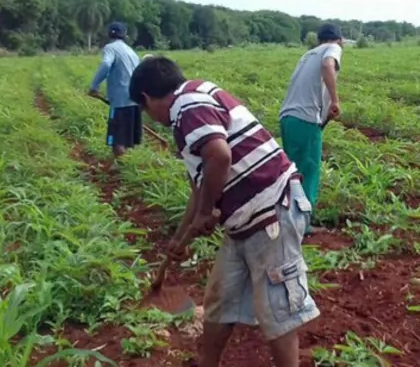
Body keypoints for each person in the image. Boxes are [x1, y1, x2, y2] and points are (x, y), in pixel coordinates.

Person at [129, 56, 319, 367]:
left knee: (279, 310)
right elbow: (200, 190)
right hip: (244, 221)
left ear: (147, 99)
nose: (150, 117)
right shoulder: (193, 101)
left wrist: (206, 212)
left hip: (271, 209)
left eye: (145, 110)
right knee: (220, 300)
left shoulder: (186, 105)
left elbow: (219, 155)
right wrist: (180, 239)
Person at [278, 23, 345, 236]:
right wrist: (336, 100)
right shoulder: (332, 49)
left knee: (292, 172)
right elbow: (327, 66)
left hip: (288, 119)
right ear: (339, 39)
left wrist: (325, 117)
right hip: (304, 120)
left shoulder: (307, 55)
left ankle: (286, 220)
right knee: (308, 173)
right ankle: (302, 225)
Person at [88, 21, 142, 157]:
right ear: (124, 35)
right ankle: (128, 169)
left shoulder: (110, 48)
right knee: (127, 139)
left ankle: (120, 171)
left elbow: (106, 64)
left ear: (108, 34)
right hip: (134, 98)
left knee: (117, 140)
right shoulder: (131, 51)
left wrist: (94, 86)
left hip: (120, 100)